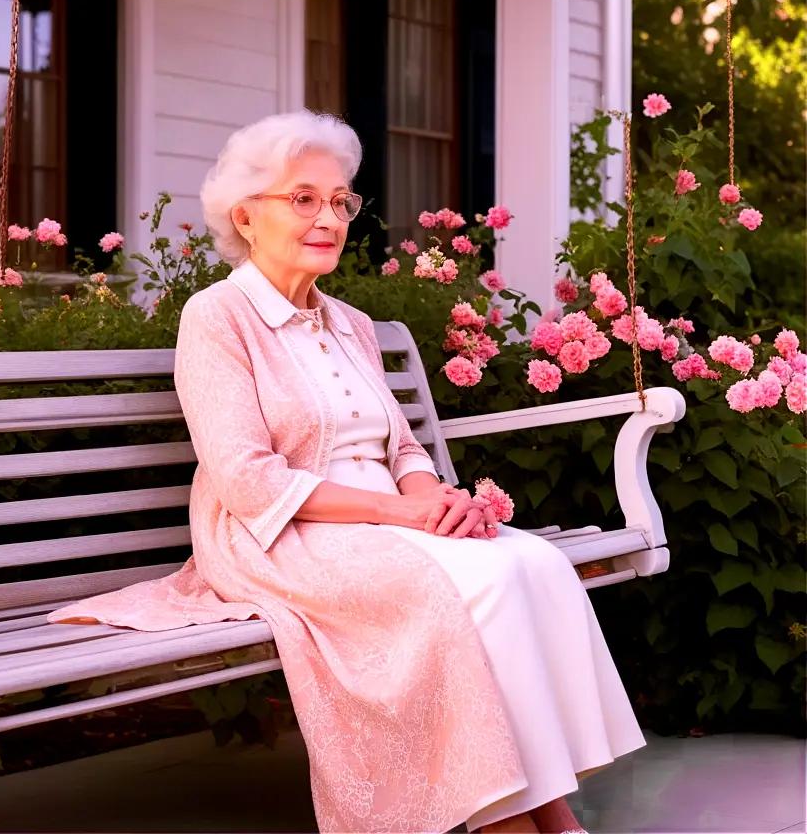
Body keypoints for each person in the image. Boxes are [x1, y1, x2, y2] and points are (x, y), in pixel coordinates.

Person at [47, 110, 646, 834]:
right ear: (246, 215)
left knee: (535, 566)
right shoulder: (217, 317)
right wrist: (405, 514)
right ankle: (508, 824)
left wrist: (437, 500)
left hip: (391, 522)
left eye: (339, 201)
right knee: (477, 587)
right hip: (279, 533)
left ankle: (550, 817)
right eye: (302, 198)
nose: (327, 216)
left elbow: (402, 451)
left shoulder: (350, 322)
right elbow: (245, 479)